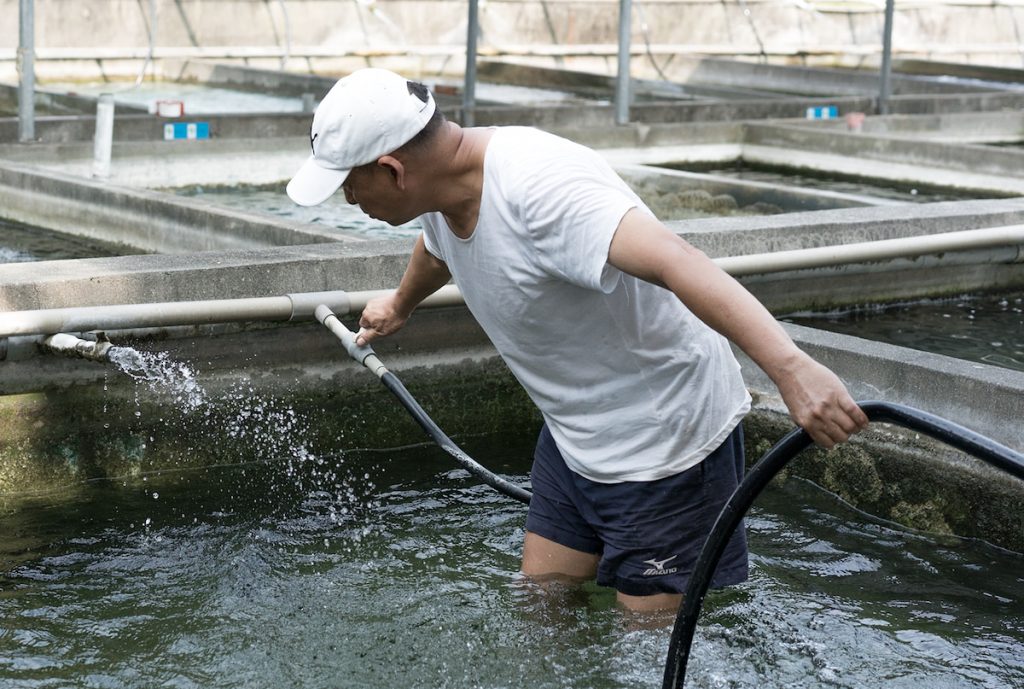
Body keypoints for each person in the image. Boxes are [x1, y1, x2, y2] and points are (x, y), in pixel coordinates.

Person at [287, 68, 869, 612]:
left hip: (661, 444)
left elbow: (676, 260)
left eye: (350, 184)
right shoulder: (443, 187)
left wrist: (791, 369)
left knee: (644, 643)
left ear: (393, 170)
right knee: (540, 604)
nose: (349, 201)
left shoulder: (542, 188)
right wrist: (400, 303)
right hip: (576, 434)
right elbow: (439, 247)